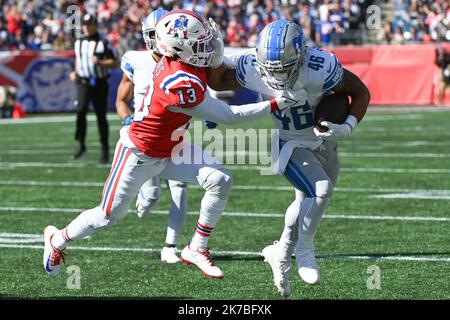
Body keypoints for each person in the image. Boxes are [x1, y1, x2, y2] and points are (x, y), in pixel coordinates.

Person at [42, 10, 302, 280]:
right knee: (108, 215)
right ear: (180, 49)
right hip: (139, 153)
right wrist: (277, 102)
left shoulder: (184, 60)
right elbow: (229, 116)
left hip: (172, 147)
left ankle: (196, 247)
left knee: (220, 179)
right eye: (201, 43)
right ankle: (57, 239)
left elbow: (227, 60)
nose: (209, 46)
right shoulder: (179, 81)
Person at [232, 20, 370, 296]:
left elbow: (360, 92)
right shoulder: (248, 65)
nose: (278, 75)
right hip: (290, 144)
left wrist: (346, 127)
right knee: (320, 190)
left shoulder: (319, 67)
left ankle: (280, 252)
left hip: (324, 142)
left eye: (285, 67)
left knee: (305, 201)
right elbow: (213, 74)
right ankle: (304, 250)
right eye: (272, 69)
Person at [116, 9, 188, 264]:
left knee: (180, 189)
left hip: (175, 138)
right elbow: (121, 99)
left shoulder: (184, 62)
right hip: (144, 140)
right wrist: (127, 119)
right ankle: (143, 198)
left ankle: (170, 246)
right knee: (151, 198)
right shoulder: (136, 59)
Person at [71, 14, 119, 164]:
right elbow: (78, 60)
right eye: (84, 24)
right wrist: (75, 72)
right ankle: (81, 143)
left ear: (94, 25)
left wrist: (101, 63)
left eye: (88, 24)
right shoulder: (78, 42)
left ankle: (104, 149)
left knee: (100, 115)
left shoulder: (103, 42)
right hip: (83, 82)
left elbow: (115, 63)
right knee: (80, 111)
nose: (85, 26)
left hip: (99, 82)